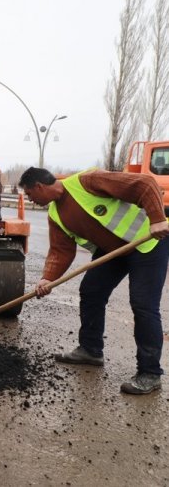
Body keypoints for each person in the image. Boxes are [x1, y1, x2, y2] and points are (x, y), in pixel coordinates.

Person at [19, 167, 169, 395]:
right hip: (114, 250)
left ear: (39, 187)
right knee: (91, 291)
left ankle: (150, 373)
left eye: (30, 194)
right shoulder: (55, 214)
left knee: (143, 304)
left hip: (148, 243)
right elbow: (60, 251)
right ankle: (90, 350)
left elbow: (145, 183)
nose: (30, 199)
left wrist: (157, 219)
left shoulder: (87, 182)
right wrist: (47, 278)